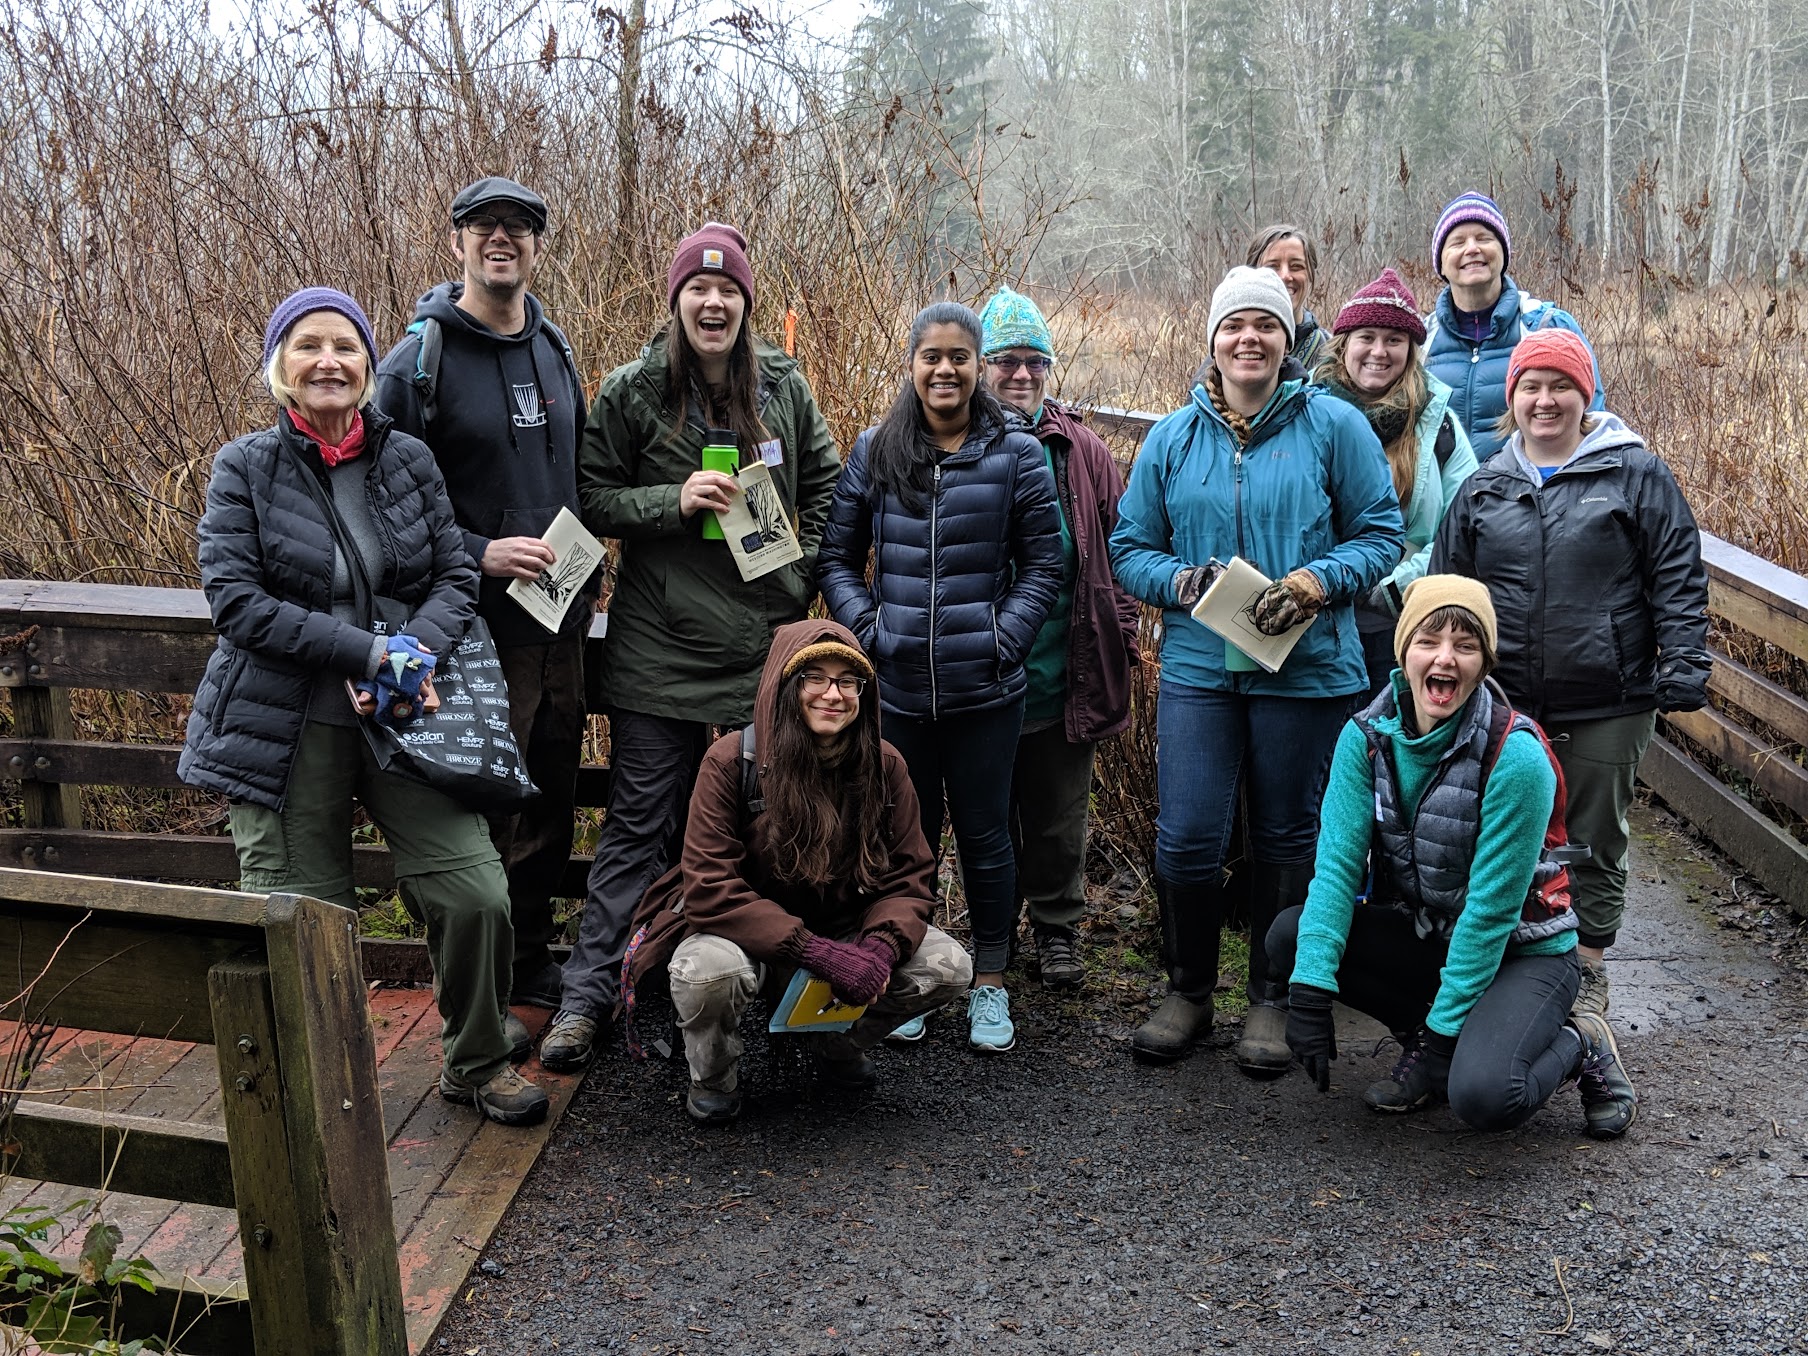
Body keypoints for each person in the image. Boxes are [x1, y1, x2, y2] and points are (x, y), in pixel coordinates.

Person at [179, 287, 547, 1126]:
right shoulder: (245, 467)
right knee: (307, 919)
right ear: (281, 366)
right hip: (284, 725)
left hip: (403, 713)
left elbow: (456, 571)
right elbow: (235, 603)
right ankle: (319, 1091)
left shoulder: (407, 459)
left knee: (473, 893)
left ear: (368, 363)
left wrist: (410, 648)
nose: (329, 362)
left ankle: (478, 1061)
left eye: (345, 346)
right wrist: (367, 650)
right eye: (307, 346)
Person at [549, 223, 842, 1071]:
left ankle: (775, 995)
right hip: (658, 653)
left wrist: (802, 571)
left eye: (729, 292)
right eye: (697, 291)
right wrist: (670, 500)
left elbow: (825, 482)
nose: (713, 303)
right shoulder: (637, 390)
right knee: (641, 825)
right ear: (676, 300)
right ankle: (587, 997)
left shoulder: (783, 385)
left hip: (759, 649)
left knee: (766, 823)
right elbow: (593, 498)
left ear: (746, 304)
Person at [1109, 265, 1403, 1071]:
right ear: (1213, 339)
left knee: (1288, 835)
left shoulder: (1333, 425)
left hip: (1306, 672)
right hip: (1203, 668)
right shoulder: (1173, 438)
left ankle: (1271, 999)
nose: (1250, 339)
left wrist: (1317, 580)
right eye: (1235, 325)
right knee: (1188, 837)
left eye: (1266, 325)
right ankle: (1189, 990)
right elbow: (1128, 548)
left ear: (1287, 338)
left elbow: (1382, 532)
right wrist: (1179, 581)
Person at [1267, 576, 1640, 1138]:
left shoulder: (1516, 757)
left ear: (1484, 663)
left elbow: (1491, 914)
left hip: (1526, 952)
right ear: (1403, 652)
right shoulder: (1364, 738)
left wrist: (1447, 1039)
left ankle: (1580, 1041)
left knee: (1485, 1097)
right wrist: (1310, 990)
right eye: (1428, 640)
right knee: (1290, 937)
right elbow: (1337, 870)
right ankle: (1430, 1037)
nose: (1445, 659)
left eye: (1465, 646)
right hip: (1434, 933)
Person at [1433, 328, 1711, 1019]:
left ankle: (1586, 968)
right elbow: (1448, 593)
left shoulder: (1635, 474)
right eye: (1531, 386)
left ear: (1585, 395)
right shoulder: (1483, 488)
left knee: (1593, 835)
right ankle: (1501, 964)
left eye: (1561, 385)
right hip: (1504, 700)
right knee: (1495, 829)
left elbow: (1676, 576)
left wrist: (1682, 660)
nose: (1545, 400)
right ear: (1512, 397)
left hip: (1608, 697)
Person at [375, 177, 591, 1037]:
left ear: (537, 246)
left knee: (548, 789)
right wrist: (478, 552)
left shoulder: (555, 345)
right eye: (484, 227)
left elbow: (567, 477)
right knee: (485, 799)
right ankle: (481, 976)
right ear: (458, 241)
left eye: (519, 228)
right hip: (471, 629)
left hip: (558, 621)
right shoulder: (417, 362)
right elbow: (385, 503)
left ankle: (532, 952)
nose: (502, 239)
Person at [817, 301, 1063, 1054]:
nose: (946, 370)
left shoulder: (1015, 453)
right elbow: (836, 558)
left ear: (976, 363)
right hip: (895, 692)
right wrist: (870, 632)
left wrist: (1004, 637)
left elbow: (1046, 563)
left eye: (960, 356)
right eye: (933, 356)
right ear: (913, 364)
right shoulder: (875, 450)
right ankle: (917, 977)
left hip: (986, 689)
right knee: (906, 838)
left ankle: (989, 981)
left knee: (988, 836)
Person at [623, 622, 974, 1125]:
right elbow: (709, 885)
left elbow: (909, 875)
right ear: (786, 687)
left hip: (845, 925)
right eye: (815, 677)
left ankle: (834, 1045)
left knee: (949, 967)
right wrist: (814, 952)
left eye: (847, 682)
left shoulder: (885, 765)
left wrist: (877, 948)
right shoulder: (730, 762)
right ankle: (715, 1076)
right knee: (707, 974)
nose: (833, 694)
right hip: (740, 936)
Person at [974, 285, 1140, 993]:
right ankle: (990, 932)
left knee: (1059, 815)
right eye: (1005, 360)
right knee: (986, 812)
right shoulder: (955, 438)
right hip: (977, 669)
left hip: (1064, 666)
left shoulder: (1082, 450)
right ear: (981, 367)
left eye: (1034, 361)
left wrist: (1124, 635)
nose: (1021, 374)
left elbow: (1126, 546)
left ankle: (1058, 931)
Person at [1313, 267, 1479, 695]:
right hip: (1316, 622)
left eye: (1394, 340)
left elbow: (1463, 527)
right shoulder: (1307, 416)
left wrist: (1393, 588)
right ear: (1343, 344)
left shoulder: (1438, 425)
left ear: (1411, 349)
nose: (1379, 351)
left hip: (1404, 623)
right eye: (1366, 337)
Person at [1424, 190, 1605, 459]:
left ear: (1503, 252)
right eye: (1457, 242)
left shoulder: (1546, 326)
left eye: (1484, 238)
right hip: (1445, 499)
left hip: (1526, 495)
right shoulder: (1420, 339)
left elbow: (1592, 418)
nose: (1472, 248)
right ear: (1441, 261)